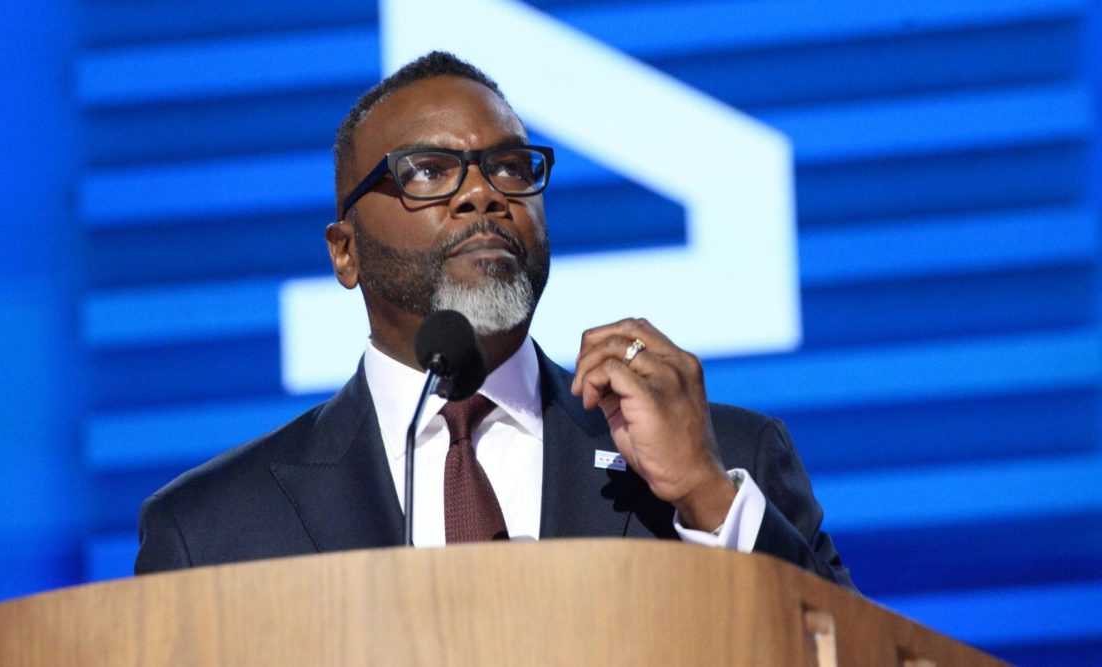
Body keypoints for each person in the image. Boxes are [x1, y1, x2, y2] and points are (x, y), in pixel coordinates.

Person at [135, 51, 854, 589]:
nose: (482, 192)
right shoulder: (212, 529)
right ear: (345, 252)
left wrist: (703, 496)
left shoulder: (728, 460)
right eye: (426, 170)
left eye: (510, 166)